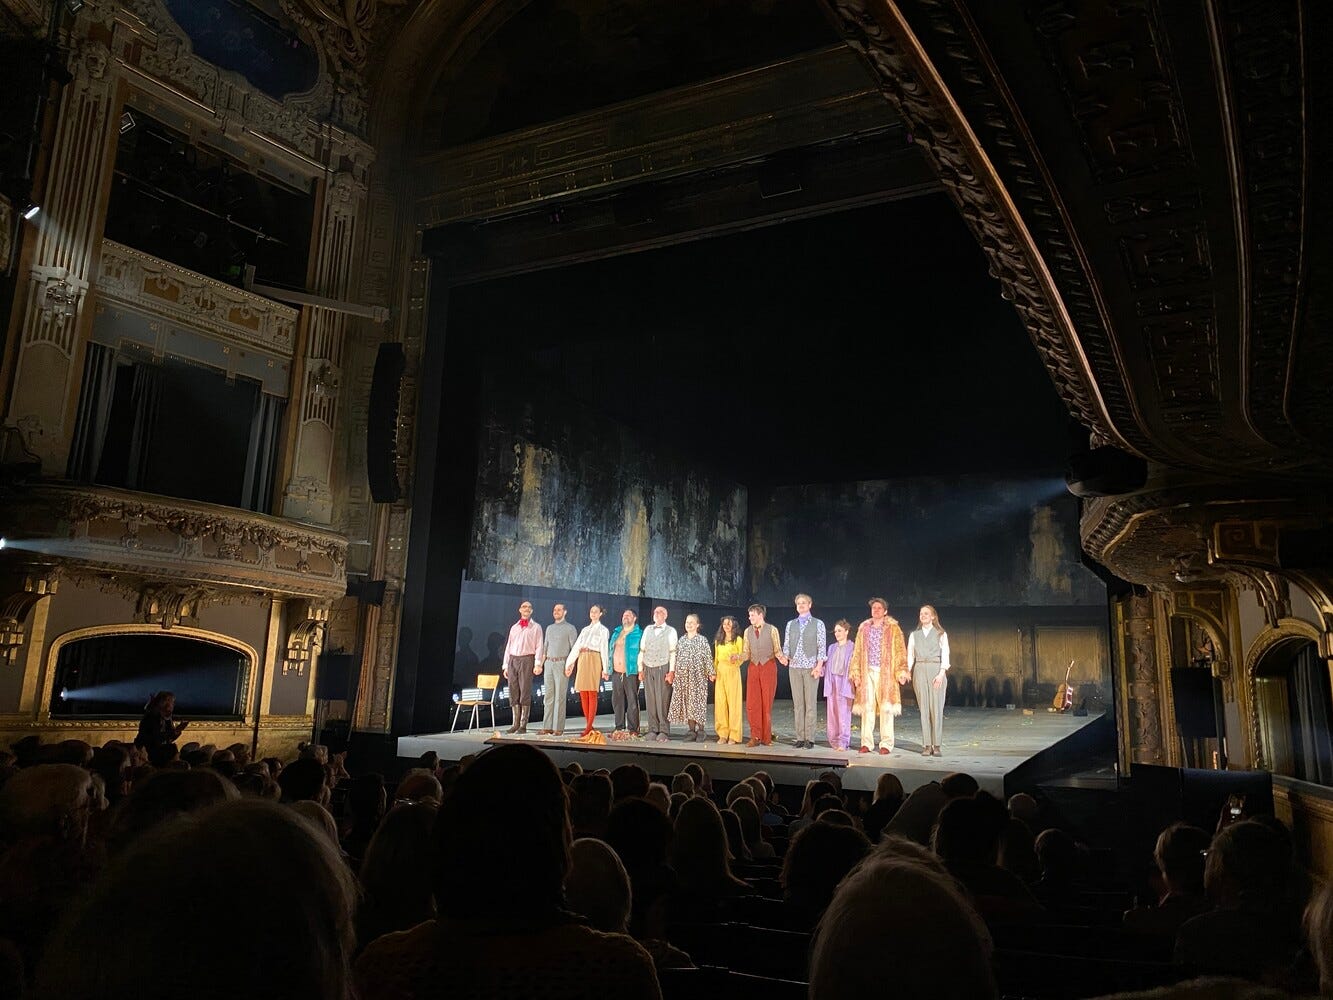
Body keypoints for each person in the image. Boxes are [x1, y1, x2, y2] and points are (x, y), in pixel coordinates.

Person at [848, 597, 907, 755]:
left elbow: (900, 651)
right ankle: (866, 743)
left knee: (886, 707)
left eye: (879, 608)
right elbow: (857, 652)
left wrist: (901, 671)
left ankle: (886, 744)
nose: (876, 610)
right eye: (874, 608)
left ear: (885, 611)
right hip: (867, 672)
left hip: (886, 673)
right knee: (867, 708)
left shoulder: (893, 629)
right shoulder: (864, 628)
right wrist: (856, 673)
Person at [780, 593, 827, 749]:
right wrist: (785, 656)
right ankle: (800, 737)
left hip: (811, 667)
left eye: (804, 603)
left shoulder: (818, 623)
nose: (801, 605)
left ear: (810, 605)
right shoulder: (790, 624)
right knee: (798, 704)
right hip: (794, 667)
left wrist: (819, 666)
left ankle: (810, 738)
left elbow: (821, 645)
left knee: (810, 704)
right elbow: (786, 644)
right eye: (798, 603)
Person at [908, 604, 950, 755]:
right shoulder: (914, 635)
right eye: (921, 613)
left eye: (926, 613)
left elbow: (945, 655)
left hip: (935, 669)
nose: (923, 616)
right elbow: (910, 656)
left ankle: (937, 745)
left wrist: (941, 674)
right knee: (924, 709)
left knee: (936, 709)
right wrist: (907, 671)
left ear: (933, 616)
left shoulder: (941, 634)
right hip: (919, 669)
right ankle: (927, 744)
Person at [566, 605, 611, 740]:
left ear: (600, 614)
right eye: (591, 611)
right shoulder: (585, 629)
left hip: (594, 658)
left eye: (596, 612)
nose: (593, 613)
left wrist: (605, 668)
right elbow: (576, 647)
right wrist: (569, 663)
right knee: (583, 692)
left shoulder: (603, 630)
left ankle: (589, 725)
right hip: (583, 658)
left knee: (592, 692)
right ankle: (588, 724)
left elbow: (604, 648)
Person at [741, 603, 782, 747]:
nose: (749, 617)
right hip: (753, 667)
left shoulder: (772, 630)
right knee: (752, 703)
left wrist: (782, 658)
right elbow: (746, 653)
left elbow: (777, 649)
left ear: (760, 615)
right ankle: (755, 736)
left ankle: (766, 737)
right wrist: (738, 657)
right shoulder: (747, 631)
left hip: (768, 666)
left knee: (766, 703)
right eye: (749, 615)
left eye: (752, 615)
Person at [668, 613, 711, 741]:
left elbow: (708, 657)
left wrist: (711, 672)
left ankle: (701, 731)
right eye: (687, 622)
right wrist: (673, 673)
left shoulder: (702, 640)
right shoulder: (682, 640)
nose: (689, 624)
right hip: (683, 678)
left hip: (698, 678)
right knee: (688, 703)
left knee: (698, 703)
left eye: (692, 622)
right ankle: (691, 731)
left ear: (697, 625)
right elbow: (676, 658)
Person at [502, 600, 543, 734]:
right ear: (520, 609)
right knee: (513, 690)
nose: (526, 609)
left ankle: (523, 725)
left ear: (531, 611)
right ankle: (515, 723)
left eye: (529, 607)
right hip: (513, 659)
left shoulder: (536, 627)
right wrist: (505, 665)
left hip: (527, 659)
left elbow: (539, 646)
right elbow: (509, 646)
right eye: (524, 607)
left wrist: (537, 664)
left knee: (525, 691)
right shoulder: (514, 627)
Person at [638, 606, 677, 742]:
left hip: (662, 667)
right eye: (655, 612)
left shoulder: (671, 631)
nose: (657, 614)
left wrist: (671, 671)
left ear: (665, 615)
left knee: (662, 700)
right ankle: (652, 729)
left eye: (660, 612)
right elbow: (642, 649)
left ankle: (664, 730)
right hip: (648, 667)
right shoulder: (648, 629)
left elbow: (673, 652)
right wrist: (640, 668)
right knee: (650, 699)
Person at [539, 603, 578, 735]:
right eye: (554, 610)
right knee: (548, 696)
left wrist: (570, 666)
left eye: (559, 610)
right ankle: (547, 726)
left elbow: (574, 649)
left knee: (560, 697)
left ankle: (558, 727)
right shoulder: (549, 628)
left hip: (562, 663)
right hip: (549, 663)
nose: (556, 611)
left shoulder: (570, 628)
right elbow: (545, 647)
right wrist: (540, 664)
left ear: (565, 612)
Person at [607, 609, 644, 735]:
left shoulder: (639, 634)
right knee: (617, 701)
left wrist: (641, 670)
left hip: (631, 672)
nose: (625, 617)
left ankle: (633, 729)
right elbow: (610, 652)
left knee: (632, 700)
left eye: (628, 615)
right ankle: (619, 727)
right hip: (617, 672)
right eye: (624, 615)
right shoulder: (617, 632)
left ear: (634, 618)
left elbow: (642, 652)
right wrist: (608, 668)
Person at [823, 619, 856, 751]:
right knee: (832, 713)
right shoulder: (831, 647)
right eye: (835, 631)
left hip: (845, 682)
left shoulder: (852, 647)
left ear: (847, 631)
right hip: (832, 682)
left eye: (840, 631)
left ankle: (843, 741)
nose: (837, 633)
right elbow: (827, 665)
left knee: (843, 713)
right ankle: (833, 740)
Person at [711, 616, 744, 744]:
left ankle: (734, 735)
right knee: (720, 704)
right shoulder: (719, 640)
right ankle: (722, 734)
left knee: (734, 704)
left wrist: (736, 660)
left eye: (729, 624)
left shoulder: (738, 640)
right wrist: (713, 672)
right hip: (720, 671)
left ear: (733, 625)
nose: (726, 626)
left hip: (732, 671)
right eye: (724, 624)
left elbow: (742, 657)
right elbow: (716, 659)